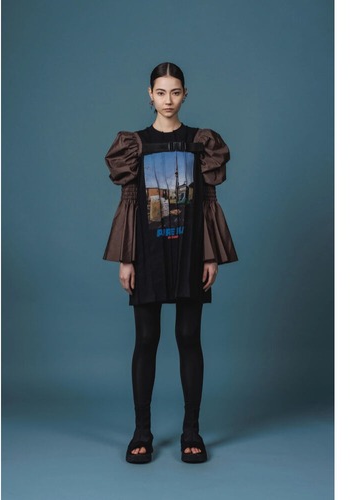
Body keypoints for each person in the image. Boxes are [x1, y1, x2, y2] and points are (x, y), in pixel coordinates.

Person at [103, 62, 238, 464]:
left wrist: (211, 254)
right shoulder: (135, 145)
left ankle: (191, 430)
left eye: (175, 92)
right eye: (160, 93)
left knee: (188, 337)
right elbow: (129, 203)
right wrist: (126, 259)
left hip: (190, 251)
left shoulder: (200, 143)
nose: (168, 100)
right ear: (150, 95)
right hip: (147, 253)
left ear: (185, 94)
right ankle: (141, 431)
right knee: (146, 339)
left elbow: (209, 202)